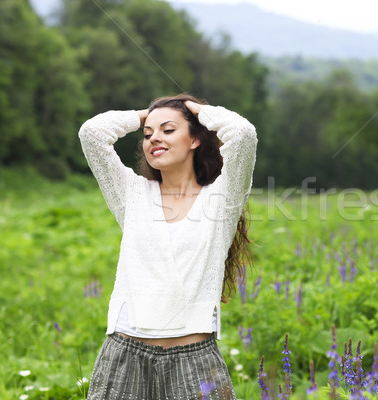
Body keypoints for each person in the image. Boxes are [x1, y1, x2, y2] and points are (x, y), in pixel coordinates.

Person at [78, 93, 257, 399]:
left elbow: (242, 134)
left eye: (168, 130)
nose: (154, 139)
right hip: (124, 354)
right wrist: (147, 115)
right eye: (148, 135)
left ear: (195, 140)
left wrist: (195, 110)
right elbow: (92, 134)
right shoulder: (131, 194)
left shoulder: (221, 199)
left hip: (194, 358)